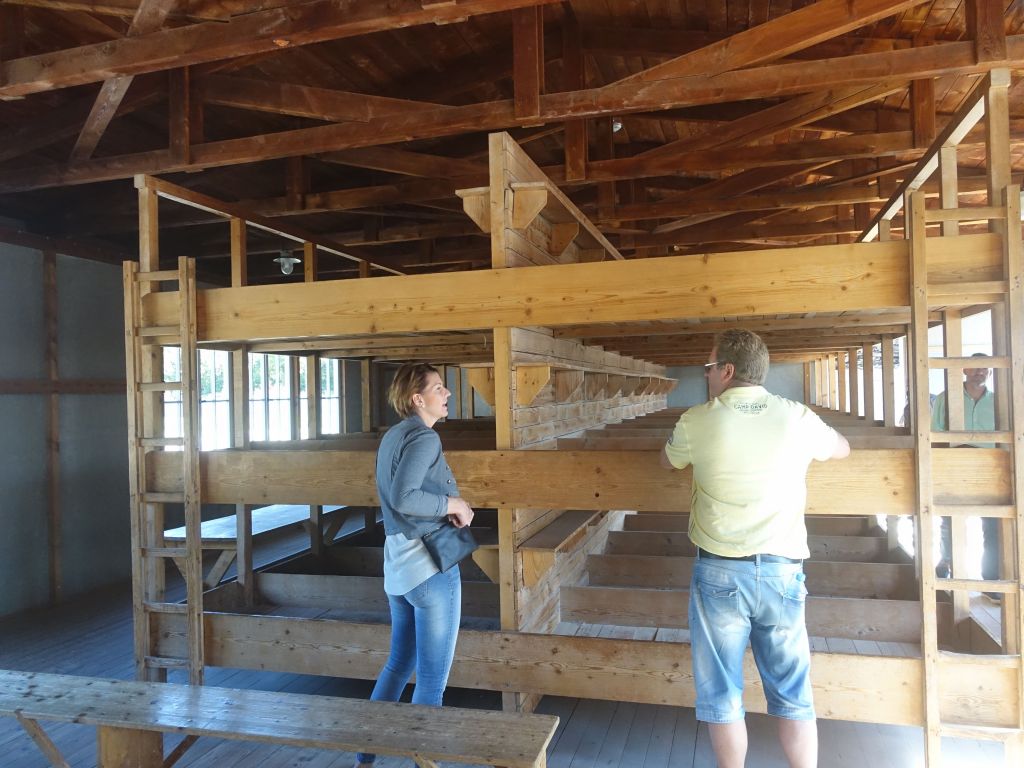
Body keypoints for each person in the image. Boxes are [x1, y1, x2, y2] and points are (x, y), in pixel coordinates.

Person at [661, 329, 850, 768]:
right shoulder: (796, 417)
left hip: (720, 571)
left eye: (708, 368)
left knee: (722, 693)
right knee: (792, 692)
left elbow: (667, 460)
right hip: (783, 571)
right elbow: (842, 448)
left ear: (727, 370)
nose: (706, 375)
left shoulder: (698, 419)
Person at [354, 363, 474, 768]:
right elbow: (407, 497)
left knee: (397, 665)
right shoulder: (424, 438)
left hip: (399, 567)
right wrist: (453, 504)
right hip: (429, 569)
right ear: (417, 399)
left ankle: (365, 758)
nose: (448, 394)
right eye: (439, 388)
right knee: (431, 683)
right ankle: (424, 761)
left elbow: (397, 500)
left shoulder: (393, 436)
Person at [930, 353, 1000, 597]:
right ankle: (947, 563)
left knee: (993, 522)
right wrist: (940, 466)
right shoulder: (945, 398)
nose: (980, 372)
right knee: (950, 519)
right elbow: (934, 434)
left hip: (991, 467)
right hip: (955, 463)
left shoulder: (999, 400)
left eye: (985, 369)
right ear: (964, 370)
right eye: (975, 368)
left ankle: (992, 580)